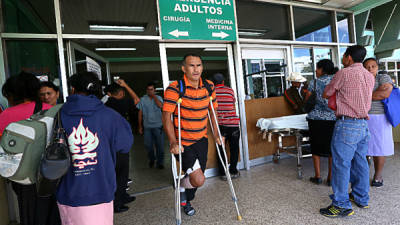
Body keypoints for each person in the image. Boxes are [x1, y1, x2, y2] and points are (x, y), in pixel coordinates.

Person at [56, 72, 133, 225]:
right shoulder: (110, 116)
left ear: (72, 90)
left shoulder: (58, 115)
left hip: (68, 190)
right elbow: (125, 145)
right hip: (101, 188)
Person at [162, 54, 221, 217]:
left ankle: (183, 193)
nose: (196, 69)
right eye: (191, 65)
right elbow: (166, 116)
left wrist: (216, 133)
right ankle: (183, 193)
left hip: (201, 140)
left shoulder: (209, 86)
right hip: (183, 143)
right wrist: (173, 142)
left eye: (199, 65)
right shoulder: (175, 88)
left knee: (195, 179)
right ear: (184, 68)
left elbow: (213, 111)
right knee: (199, 179)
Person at [320, 45, 374, 217]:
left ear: (348, 57)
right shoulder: (369, 75)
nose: (343, 59)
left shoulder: (343, 73)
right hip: (363, 125)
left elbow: (327, 93)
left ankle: (341, 205)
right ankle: (361, 198)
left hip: (347, 124)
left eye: (344, 56)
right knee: (361, 162)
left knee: (341, 165)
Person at [0, 72, 57, 225]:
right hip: (53, 171)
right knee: (53, 210)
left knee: (29, 213)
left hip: (23, 175)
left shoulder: (6, 115)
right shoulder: (51, 110)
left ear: (13, 94)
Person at [103, 79, 139, 213]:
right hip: (119, 142)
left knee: (119, 172)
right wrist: (126, 85)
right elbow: (136, 99)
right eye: (121, 92)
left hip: (111, 141)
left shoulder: (105, 104)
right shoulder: (121, 102)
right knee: (120, 172)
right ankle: (117, 202)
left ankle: (122, 196)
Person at [304, 59, 338, 186]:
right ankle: (330, 178)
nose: (316, 71)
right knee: (331, 148)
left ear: (322, 69)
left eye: (317, 68)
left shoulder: (314, 82)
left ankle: (317, 176)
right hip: (333, 118)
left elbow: (307, 99)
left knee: (316, 146)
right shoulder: (336, 80)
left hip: (315, 119)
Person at [363, 58, 394, 187]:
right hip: (364, 116)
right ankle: (363, 174)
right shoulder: (361, 79)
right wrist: (376, 93)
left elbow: (385, 94)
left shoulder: (383, 77)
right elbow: (379, 94)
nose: (370, 69)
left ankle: (378, 175)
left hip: (380, 117)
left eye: (373, 66)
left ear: (377, 67)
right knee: (363, 147)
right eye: (367, 67)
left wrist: (364, 95)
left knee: (379, 148)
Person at [212, 73, 241, 180]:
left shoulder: (212, 92)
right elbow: (233, 106)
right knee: (234, 148)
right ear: (223, 82)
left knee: (221, 149)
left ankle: (223, 173)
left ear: (213, 83)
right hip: (233, 125)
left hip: (221, 126)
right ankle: (233, 171)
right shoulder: (230, 90)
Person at [137, 82, 165, 169]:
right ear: (146, 90)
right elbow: (140, 113)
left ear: (154, 90)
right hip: (147, 127)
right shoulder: (142, 99)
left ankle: (160, 163)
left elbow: (161, 106)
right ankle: (152, 159)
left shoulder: (159, 98)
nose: (150, 91)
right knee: (148, 145)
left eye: (151, 89)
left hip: (158, 126)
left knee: (160, 146)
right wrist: (140, 126)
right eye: (148, 90)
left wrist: (154, 97)